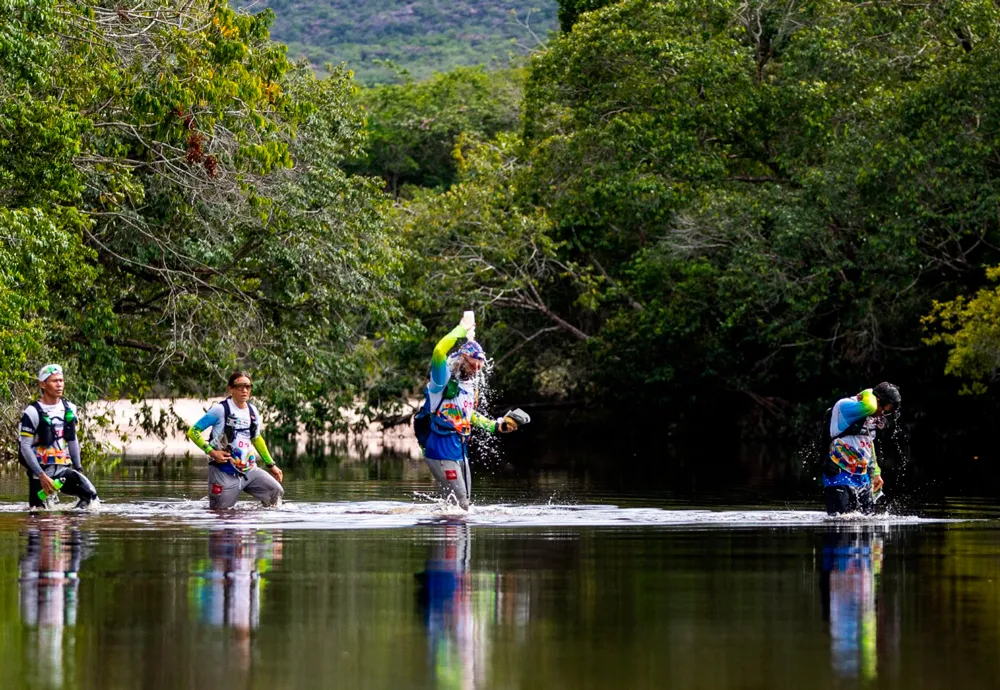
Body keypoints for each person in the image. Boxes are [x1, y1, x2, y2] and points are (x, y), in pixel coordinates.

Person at [417, 313, 519, 510]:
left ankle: (445, 533)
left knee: (460, 505)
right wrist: (461, 329)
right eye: (473, 365)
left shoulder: (470, 385)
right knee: (462, 504)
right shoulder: (442, 377)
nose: (476, 370)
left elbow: (468, 415)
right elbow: (439, 350)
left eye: (479, 367)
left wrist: (496, 425)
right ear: (462, 360)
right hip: (439, 448)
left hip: (459, 449)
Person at [185, 371, 284, 510]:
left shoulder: (253, 411)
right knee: (220, 514)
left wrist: (271, 464)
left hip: (249, 471)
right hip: (223, 472)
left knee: (275, 492)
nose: (245, 390)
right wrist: (212, 452)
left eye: (248, 386)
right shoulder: (220, 410)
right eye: (240, 386)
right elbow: (193, 431)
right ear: (230, 389)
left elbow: (256, 438)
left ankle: (257, 525)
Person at [18, 364, 100, 509]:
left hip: (62, 469)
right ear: (42, 384)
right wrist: (41, 476)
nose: (59, 385)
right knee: (38, 512)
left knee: (91, 498)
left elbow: (73, 439)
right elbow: (24, 446)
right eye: (54, 381)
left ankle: (72, 525)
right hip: (40, 472)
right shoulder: (31, 412)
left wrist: (78, 468)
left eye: (61, 380)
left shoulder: (70, 408)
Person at [822, 382, 901, 515]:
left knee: (867, 526)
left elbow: (869, 443)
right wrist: (869, 392)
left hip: (862, 477)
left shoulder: (870, 417)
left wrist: (876, 473)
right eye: (884, 409)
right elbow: (869, 405)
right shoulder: (846, 406)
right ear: (877, 401)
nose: (883, 414)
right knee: (839, 525)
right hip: (838, 474)